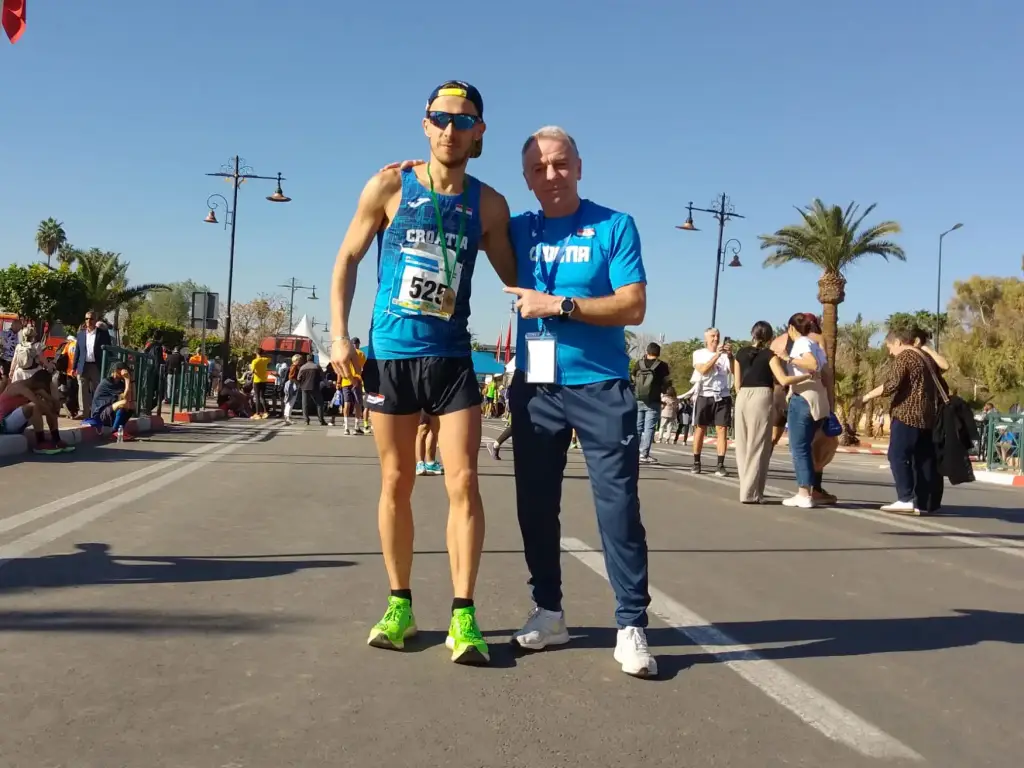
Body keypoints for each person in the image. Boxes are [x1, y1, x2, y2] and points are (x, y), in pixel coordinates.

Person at [329, 81, 516, 665]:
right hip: (390, 356)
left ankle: (464, 614)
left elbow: (517, 277)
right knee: (396, 482)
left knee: (463, 482)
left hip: (454, 358)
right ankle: (400, 604)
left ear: (479, 131)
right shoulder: (389, 183)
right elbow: (347, 260)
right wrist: (339, 336)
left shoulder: (489, 204)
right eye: (440, 118)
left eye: (463, 121)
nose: (449, 130)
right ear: (424, 123)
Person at [504, 125, 655, 677]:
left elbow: (632, 305)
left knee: (617, 508)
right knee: (535, 507)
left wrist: (560, 304)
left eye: (561, 163)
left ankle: (632, 624)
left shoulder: (614, 226)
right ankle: (549, 611)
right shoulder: (518, 229)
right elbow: (456, 216)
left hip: (601, 385)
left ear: (580, 165)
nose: (551, 175)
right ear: (526, 178)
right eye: (539, 168)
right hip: (536, 389)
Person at [862, 328, 942, 514]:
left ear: (898, 342)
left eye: (889, 346)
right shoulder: (926, 358)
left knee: (897, 455)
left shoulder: (905, 357)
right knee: (922, 459)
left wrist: (866, 397)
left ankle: (905, 498)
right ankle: (923, 502)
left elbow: (891, 384)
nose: (890, 351)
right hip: (927, 416)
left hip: (907, 414)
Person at [732, 321, 813, 503]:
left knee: (743, 445)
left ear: (752, 334)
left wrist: (743, 394)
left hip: (743, 396)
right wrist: (807, 375)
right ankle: (750, 493)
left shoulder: (740, 354)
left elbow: (736, 384)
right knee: (759, 445)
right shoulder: (770, 355)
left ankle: (750, 489)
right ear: (770, 337)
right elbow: (783, 380)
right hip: (762, 396)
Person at [776, 313, 830, 508]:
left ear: (791, 328)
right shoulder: (817, 345)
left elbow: (812, 365)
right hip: (818, 399)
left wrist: (788, 359)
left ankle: (804, 493)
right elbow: (823, 370)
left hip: (803, 398)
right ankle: (809, 491)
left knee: (799, 448)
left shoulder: (801, 343)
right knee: (807, 447)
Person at [690, 328, 733, 476]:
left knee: (722, 429)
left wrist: (731, 356)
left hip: (722, 395)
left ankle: (720, 464)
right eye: (712, 336)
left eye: (718, 336)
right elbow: (703, 369)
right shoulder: (699, 354)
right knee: (700, 428)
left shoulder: (725, 356)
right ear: (706, 339)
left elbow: (733, 371)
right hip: (704, 394)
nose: (716, 339)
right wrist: (716, 355)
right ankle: (696, 462)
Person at [0, 368, 71, 454]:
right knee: (35, 406)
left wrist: (55, 403)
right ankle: (40, 443)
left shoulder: (35, 388)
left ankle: (56, 439)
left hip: (17, 423)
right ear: (38, 383)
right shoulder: (20, 387)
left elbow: (51, 401)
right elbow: (37, 403)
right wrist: (52, 414)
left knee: (48, 405)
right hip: (4, 425)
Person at [631, 341, 670, 464]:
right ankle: (644, 454)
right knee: (649, 428)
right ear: (658, 353)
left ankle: (633, 453)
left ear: (647, 352)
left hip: (638, 398)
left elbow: (633, 378)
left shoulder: (639, 363)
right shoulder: (662, 366)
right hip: (653, 400)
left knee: (637, 426)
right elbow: (667, 383)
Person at [89, 360, 136, 440]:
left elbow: (130, 399)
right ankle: (114, 432)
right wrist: (127, 380)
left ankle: (120, 430)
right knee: (124, 403)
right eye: (124, 370)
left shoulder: (120, 384)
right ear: (117, 370)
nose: (126, 372)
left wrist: (131, 381)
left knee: (132, 405)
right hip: (100, 414)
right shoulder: (107, 382)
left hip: (109, 411)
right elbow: (124, 400)